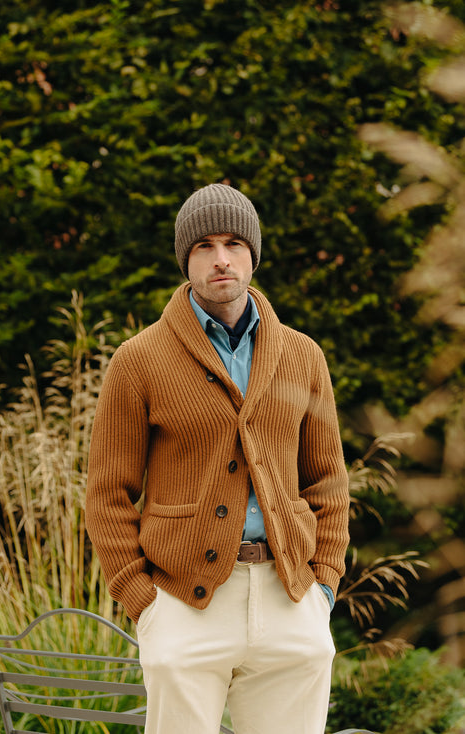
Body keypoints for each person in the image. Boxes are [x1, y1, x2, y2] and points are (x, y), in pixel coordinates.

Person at [86, 183, 350, 734]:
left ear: (254, 252)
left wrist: (323, 584)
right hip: (183, 599)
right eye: (204, 245)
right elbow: (108, 494)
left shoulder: (303, 356)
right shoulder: (137, 361)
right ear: (187, 258)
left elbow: (327, 481)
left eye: (233, 242)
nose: (221, 258)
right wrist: (144, 602)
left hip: (290, 594)